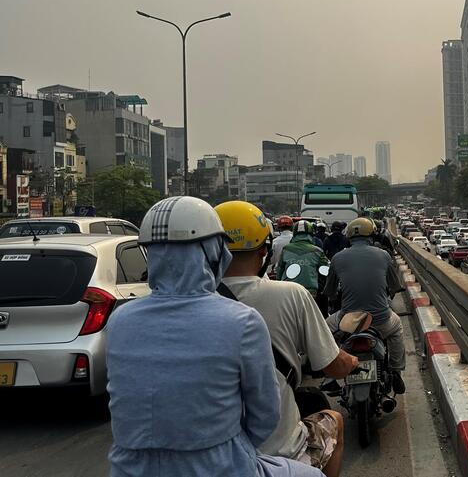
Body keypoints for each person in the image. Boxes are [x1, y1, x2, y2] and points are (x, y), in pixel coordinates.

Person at [105, 196, 322, 477]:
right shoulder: (242, 321)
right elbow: (265, 416)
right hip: (220, 467)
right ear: (213, 252)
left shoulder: (120, 320)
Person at [215, 201, 358, 477]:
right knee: (334, 420)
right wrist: (350, 361)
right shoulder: (292, 293)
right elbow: (332, 366)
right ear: (264, 251)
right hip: (281, 453)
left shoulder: (190, 305)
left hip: (213, 456)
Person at [323, 217, 406, 394]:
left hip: (348, 321)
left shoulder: (337, 258)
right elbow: (395, 285)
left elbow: (329, 291)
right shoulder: (383, 255)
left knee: (324, 330)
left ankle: (330, 376)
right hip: (380, 320)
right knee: (397, 327)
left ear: (350, 237)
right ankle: (396, 371)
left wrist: (335, 299)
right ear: (372, 234)